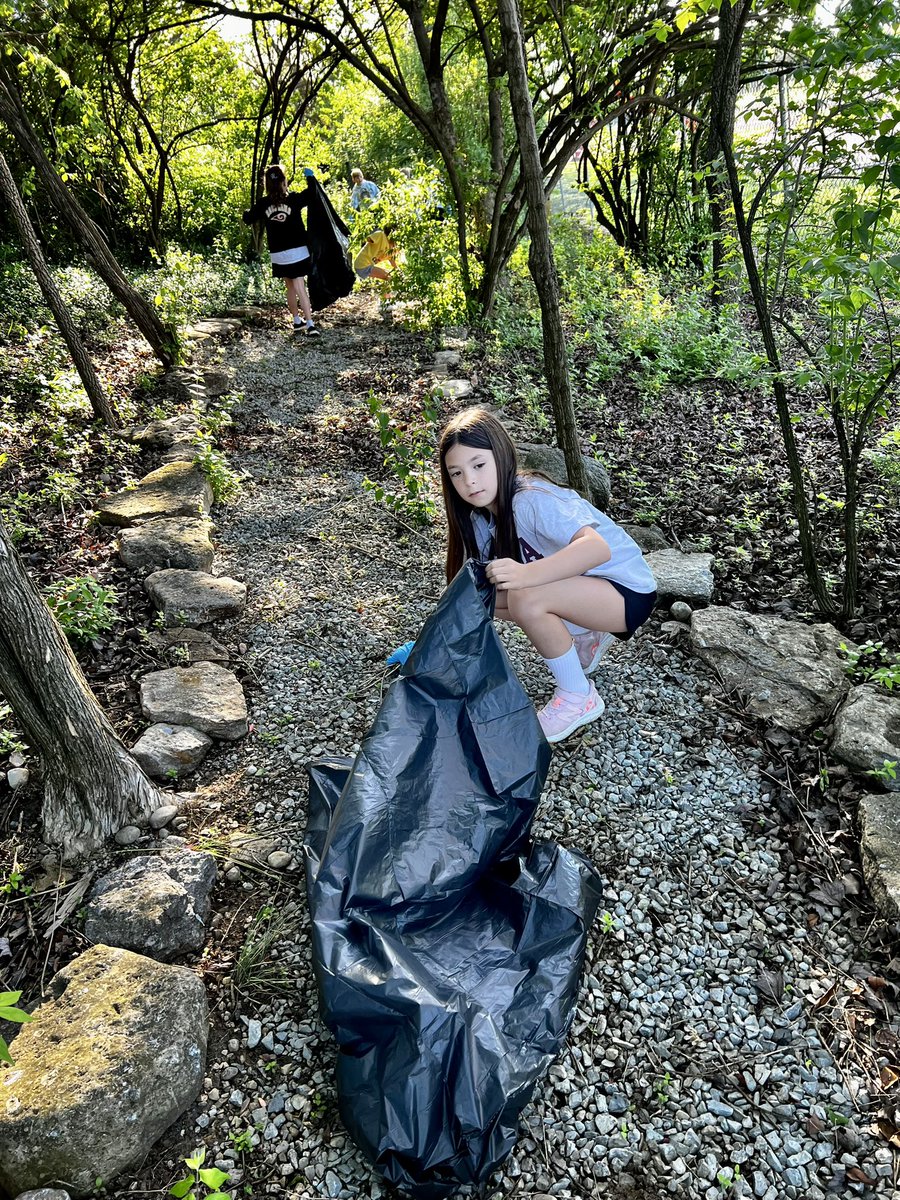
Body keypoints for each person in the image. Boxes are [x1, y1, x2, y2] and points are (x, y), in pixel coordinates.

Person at [438, 408, 657, 744]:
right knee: (480, 599)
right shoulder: (480, 521)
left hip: (627, 591)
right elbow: (472, 597)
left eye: (478, 465)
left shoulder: (531, 500)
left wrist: (526, 574)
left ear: (501, 455)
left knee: (525, 596)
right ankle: (584, 638)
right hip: (589, 593)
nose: (469, 481)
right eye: (456, 473)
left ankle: (577, 696)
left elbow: (596, 549)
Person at [243, 164, 320, 336]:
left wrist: (245, 212)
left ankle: (296, 320)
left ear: (267, 184)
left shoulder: (263, 204)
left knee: (290, 286)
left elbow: (248, 218)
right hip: (298, 251)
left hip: (278, 255)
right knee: (300, 285)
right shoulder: (293, 199)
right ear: (284, 181)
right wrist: (310, 177)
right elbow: (313, 193)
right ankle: (310, 324)